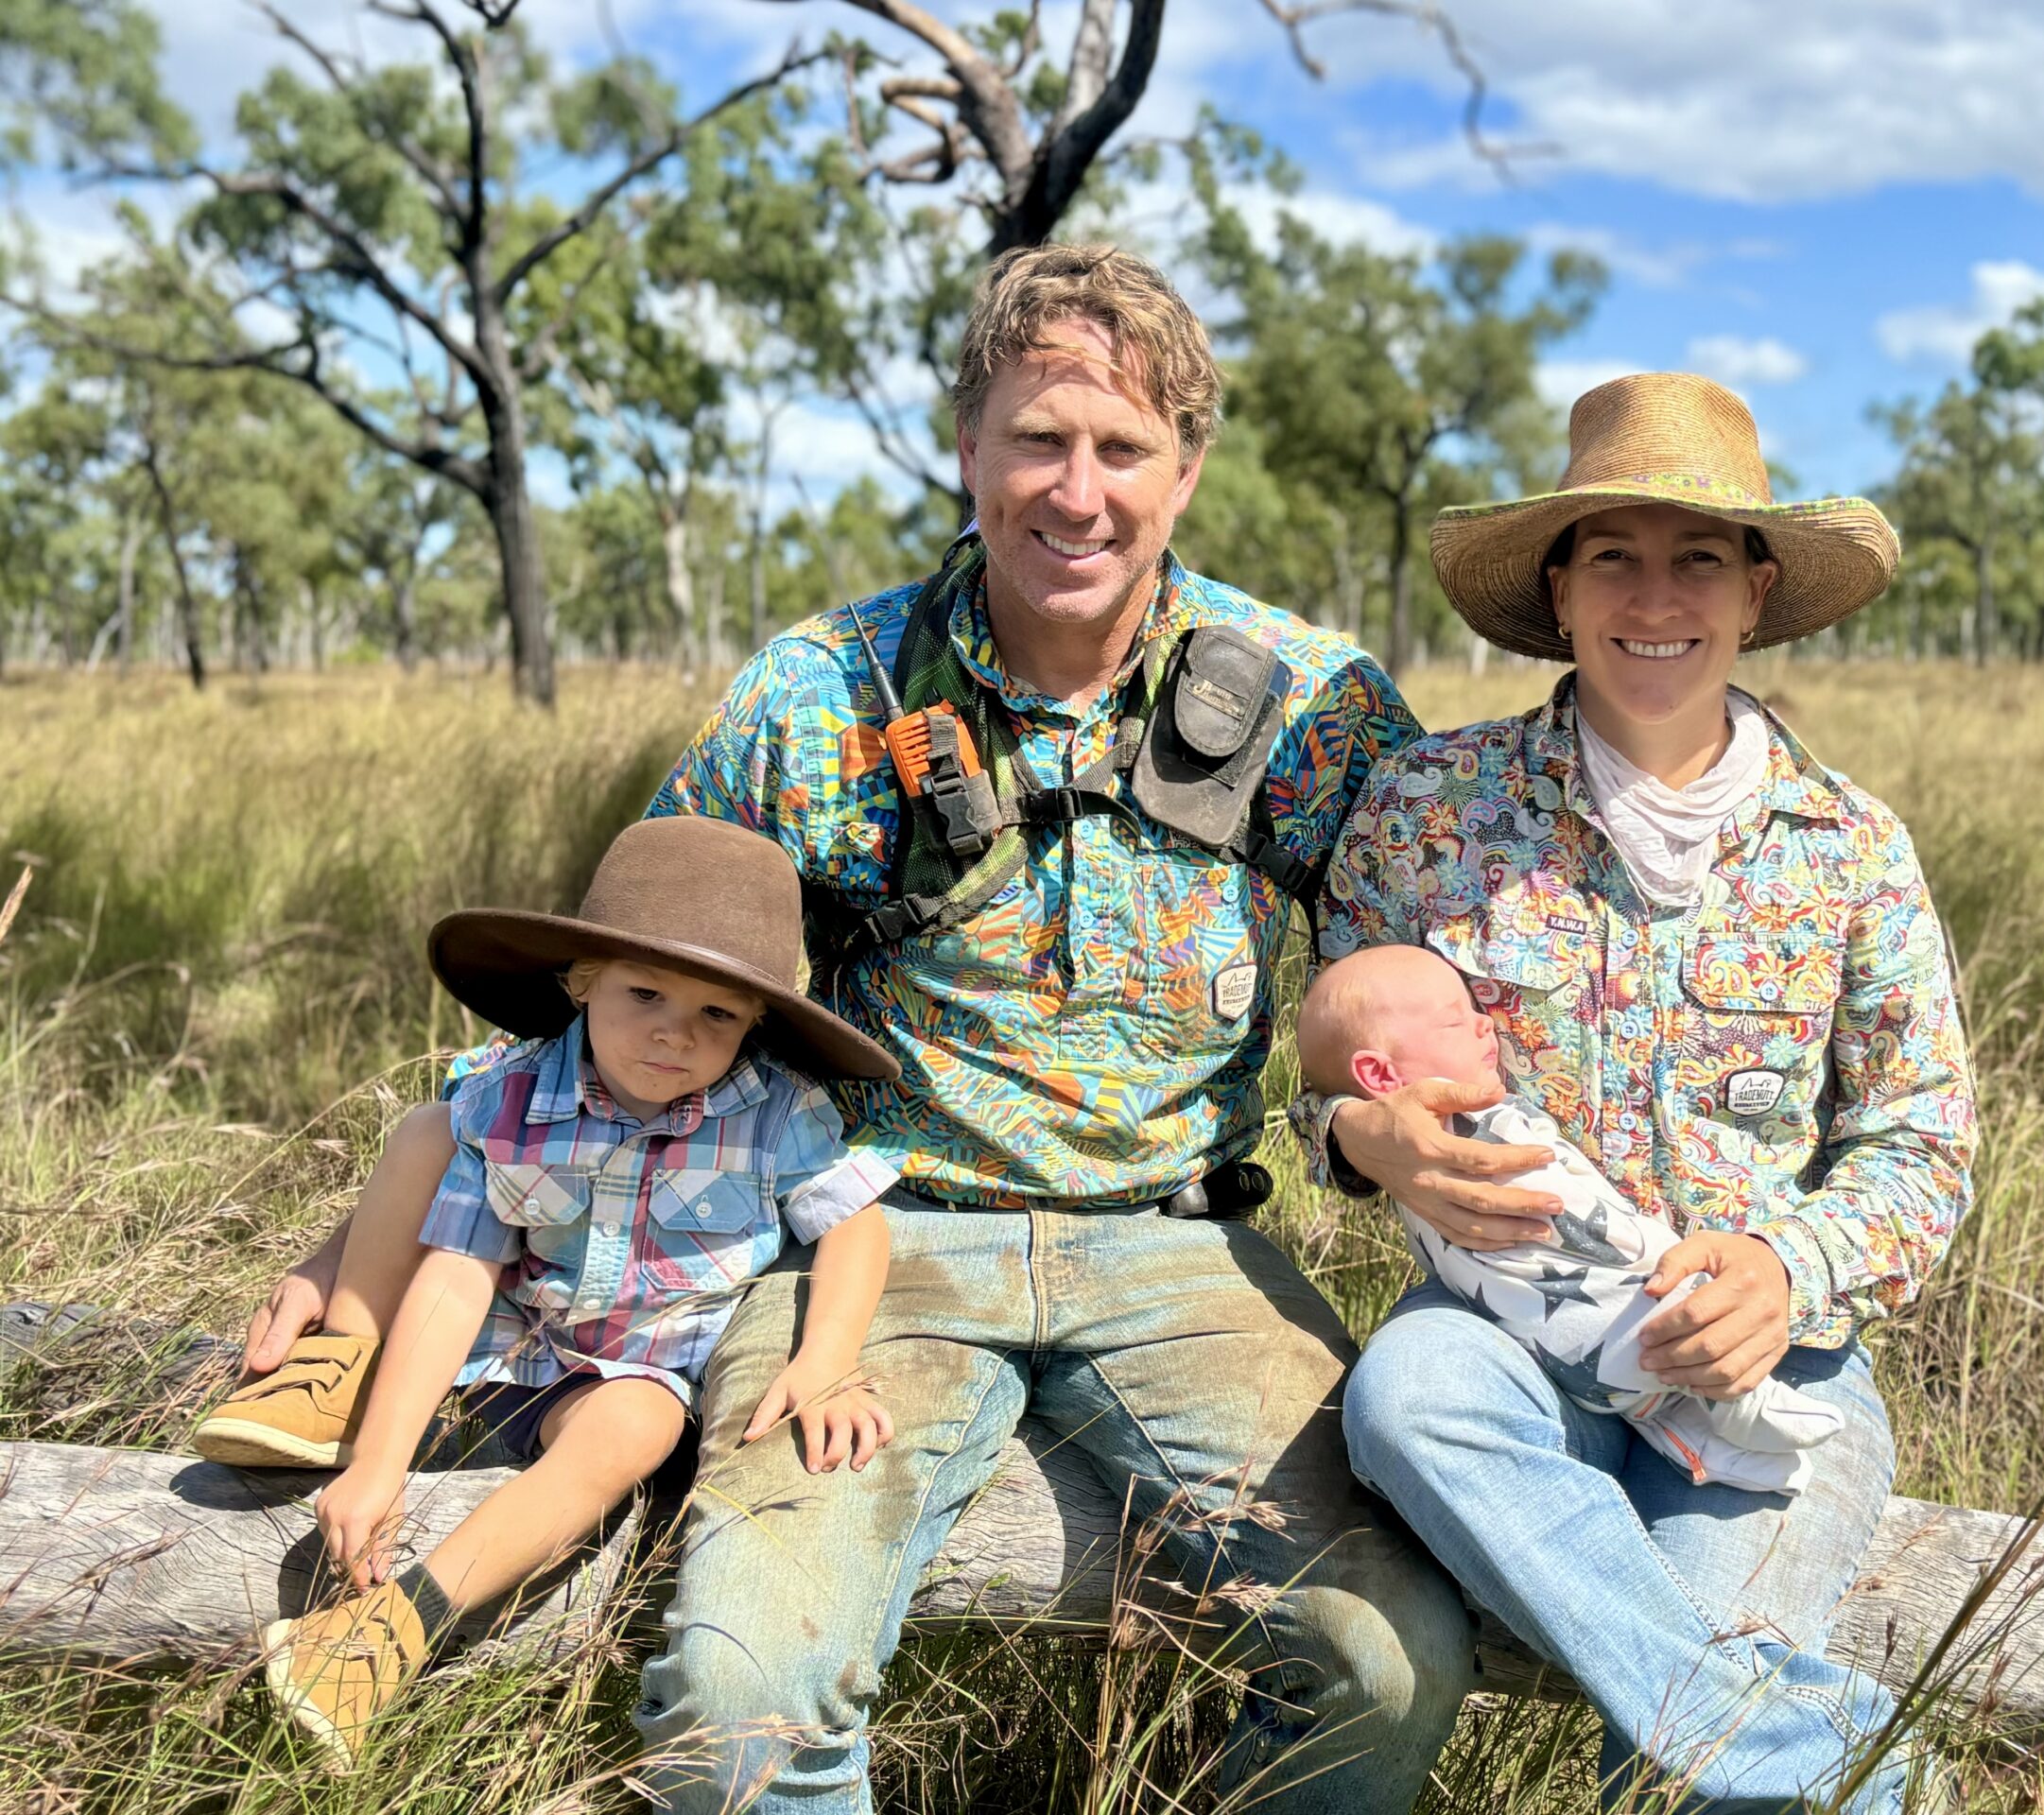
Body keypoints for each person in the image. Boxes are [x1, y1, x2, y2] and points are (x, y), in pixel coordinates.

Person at [230, 244, 1473, 1813]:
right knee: (740, 1705)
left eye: (1120, 449)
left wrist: (1430, 1137)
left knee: (1387, 1659)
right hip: (870, 1250)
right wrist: (357, 1265)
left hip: (1189, 1255)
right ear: (967, 447)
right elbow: (636, 976)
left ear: (1189, 467)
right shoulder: (825, 692)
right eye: (1035, 439)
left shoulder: (1309, 700)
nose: (1073, 492)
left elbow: (1431, 980)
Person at [1306, 372, 1977, 1811]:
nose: (1654, 595)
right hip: (1507, 1333)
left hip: (1763, 1372)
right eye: (1613, 553)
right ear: (1558, 589)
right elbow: (1330, 1074)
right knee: (1403, 1394)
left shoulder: (1849, 845)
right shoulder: (1430, 812)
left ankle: (1733, 1736)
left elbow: (1925, 1145)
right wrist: (1368, 1138)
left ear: (1756, 590)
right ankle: (1847, 1761)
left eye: (1697, 558)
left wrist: (1786, 1270)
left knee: (1666, 1778)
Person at [191, 815, 903, 1770]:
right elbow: (456, 1270)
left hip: (633, 1368)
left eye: (717, 1015)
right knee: (421, 1130)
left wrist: (825, 1359)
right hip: (494, 1345)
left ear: (755, 1023)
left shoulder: (775, 1112)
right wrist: (382, 1466)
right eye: (644, 993)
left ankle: (378, 1638)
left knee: (640, 1426)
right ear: (581, 983)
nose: (674, 1033)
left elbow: (852, 1223)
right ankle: (339, 1373)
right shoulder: (515, 1097)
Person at [1295, 942, 1843, 1495]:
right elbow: (1586, 1220)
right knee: (1405, 1399)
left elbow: (1922, 1129)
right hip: (1634, 1320)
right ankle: (1742, 1404)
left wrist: (1786, 1262)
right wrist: (1343, 1123)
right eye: (1457, 1020)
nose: (1487, 1024)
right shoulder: (1488, 1128)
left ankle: (1699, 1441)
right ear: (1379, 1075)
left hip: (1627, 1348)